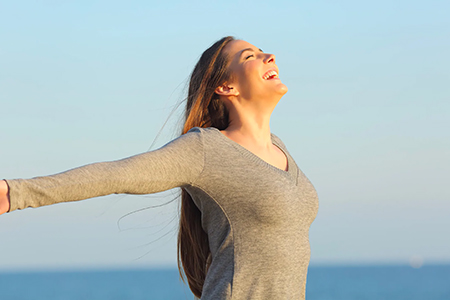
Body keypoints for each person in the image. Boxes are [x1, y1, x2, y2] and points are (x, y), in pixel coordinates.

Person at [0, 36, 319, 300]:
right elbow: (118, 174)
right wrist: (15, 192)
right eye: (251, 56)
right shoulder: (206, 149)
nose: (270, 56)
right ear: (226, 86)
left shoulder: (280, 148)